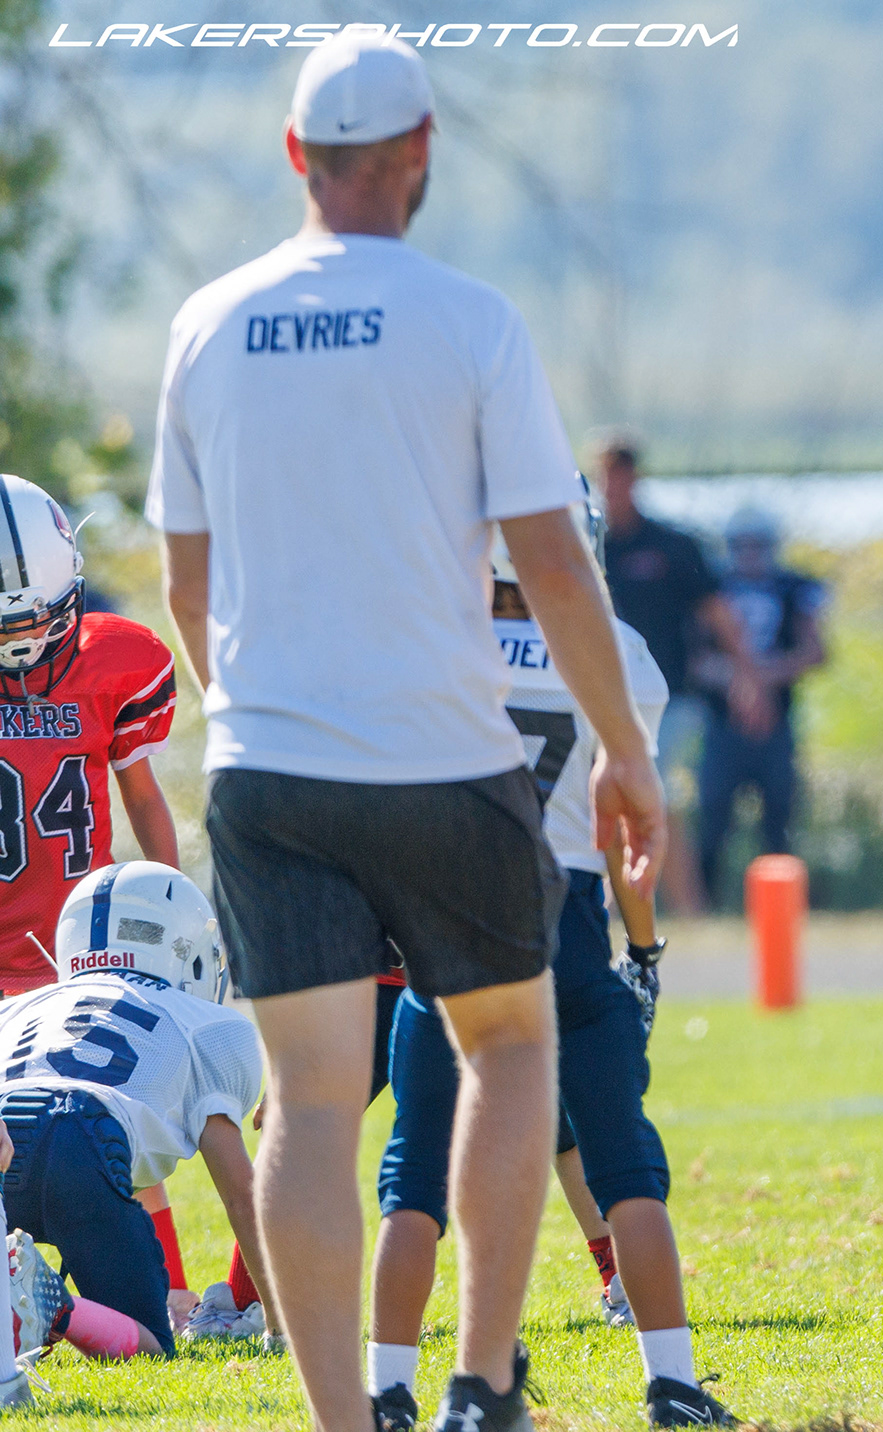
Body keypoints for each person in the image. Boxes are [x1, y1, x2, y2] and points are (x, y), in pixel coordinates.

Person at [152, 32, 665, 1431]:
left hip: (267, 765)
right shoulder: (471, 320)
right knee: (509, 1045)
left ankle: (341, 1419)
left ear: (293, 153)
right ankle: (482, 1382)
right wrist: (623, 750)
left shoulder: (207, 323)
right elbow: (551, 564)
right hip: (442, 754)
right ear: (424, 152)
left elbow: (188, 584)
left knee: (312, 1102)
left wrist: (245, 712)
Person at [367, 494, 731, 1429]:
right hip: (565, 925)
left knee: (413, 1177)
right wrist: (641, 949)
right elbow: (627, 835)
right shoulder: (618, 653)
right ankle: (673, 1383)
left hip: (449, 931)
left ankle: (387, 1391)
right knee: (626, 1168)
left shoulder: (430, 640)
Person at [0, 865, 261, 1368]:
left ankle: (22, 1293)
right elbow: (241, 1198)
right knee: (150, 1346)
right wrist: (279, 1320)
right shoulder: (207, 1024)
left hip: (4, 1136)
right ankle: (56, 1307)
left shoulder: (15, 1009)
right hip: (75, 1140)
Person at [0, 475, 182, 992]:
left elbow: (142, 795)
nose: (25, 643)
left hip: (83, 948)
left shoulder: (109, 665)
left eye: (41, 619)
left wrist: (173, 899)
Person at [593, 433, 754, 916]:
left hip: (670, 696)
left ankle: (685, 906)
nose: (613, 486)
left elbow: (718, 614)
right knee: (614, 794)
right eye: (605, 475)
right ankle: (615, 905)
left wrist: (747, 675)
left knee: (654, 792)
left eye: (620, 474)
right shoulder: (589, 543)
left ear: (635, 478)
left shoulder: (672, 545)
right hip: (602, 696)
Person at [691, 508, 825, 910]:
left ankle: (780, 906)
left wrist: (758, 680)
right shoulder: (712, 587)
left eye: (758, 545)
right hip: (723, 721)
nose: (749, 554)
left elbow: (814, 651)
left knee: (779, 818)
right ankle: (705, 906)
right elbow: (696, 660)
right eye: (741, 545)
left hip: (776, 723)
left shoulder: (793, 587)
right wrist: (742, 683)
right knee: (713, 816)